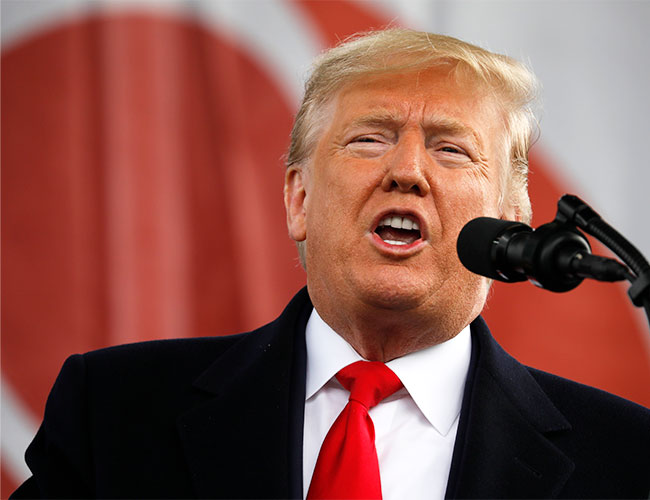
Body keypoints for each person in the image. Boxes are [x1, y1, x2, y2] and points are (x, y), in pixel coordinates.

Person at [12, 28, 650, 499]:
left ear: (510, 220)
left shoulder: (627, 459)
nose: (406, 172)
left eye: (452, 151)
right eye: (368, 139)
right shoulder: (118, 412)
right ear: (298, 200)